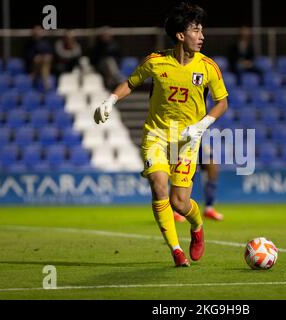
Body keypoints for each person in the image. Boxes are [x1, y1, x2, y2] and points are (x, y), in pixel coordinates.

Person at [93, 3, 228, 267]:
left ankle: (197, 226)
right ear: (180, 35)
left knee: (180, 203)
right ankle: (177, 251)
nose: (202, 36)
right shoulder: (156, 62)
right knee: (158, 186)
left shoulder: (209, 67)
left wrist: (203, 125)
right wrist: (110, 100)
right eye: (196, 31)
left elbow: (222, 102)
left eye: (202, 31)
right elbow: (131, 83)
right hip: (156, 134)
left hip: (187, 140)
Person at [174, 143, 224, 222]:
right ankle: (177, 210)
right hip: (183, 142)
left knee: (212, 167)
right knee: (186, 172)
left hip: (197, 142)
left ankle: (209, 208)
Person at [90, 26, 125, 90]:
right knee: (108, 61)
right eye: (104, 35)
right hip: (100, 65)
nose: (106, 36)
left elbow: (119, 57)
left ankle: (111, 84)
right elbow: (94, 58)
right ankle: (117, 77)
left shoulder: (114, 45)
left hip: (113, 66)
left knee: (110, 62)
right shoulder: (97, 46)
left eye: (107, 34)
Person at [24, 25, 53, 90]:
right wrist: (37, 58)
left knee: (46, 59)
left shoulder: (45, 43)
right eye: (35, 31)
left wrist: (44, 57)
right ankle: (44, 79)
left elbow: (50, 55)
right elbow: (28, 57)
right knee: (37, 60)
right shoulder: (29, 44)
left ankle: (44, 78)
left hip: (44, 65)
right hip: (32, 67)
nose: (37, 33)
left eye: (38, 31)